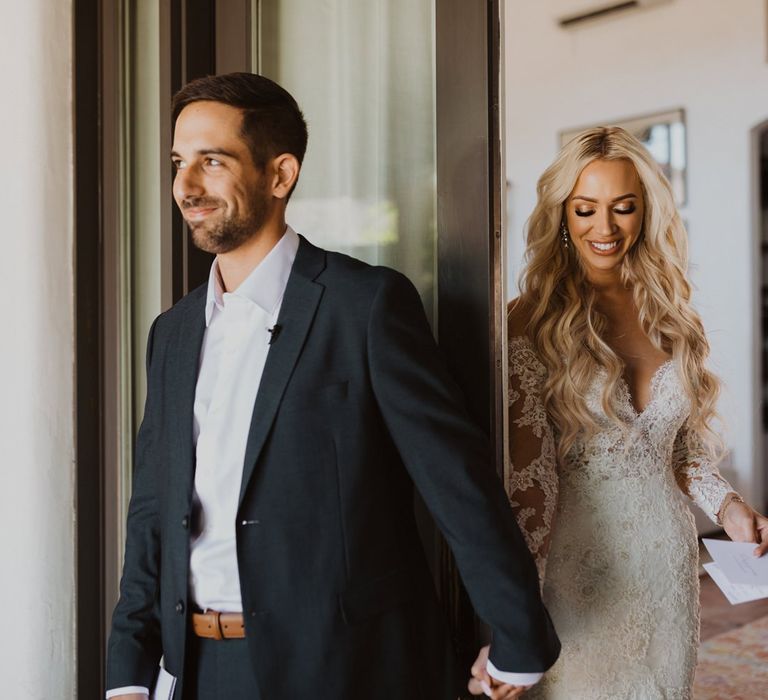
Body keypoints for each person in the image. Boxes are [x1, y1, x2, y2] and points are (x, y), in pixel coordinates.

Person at [105, 72, 560, 700]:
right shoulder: (172, 333)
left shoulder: (366, 306)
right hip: (200, 674)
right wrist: (128, 670)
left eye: (212, 162)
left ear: (280, 174)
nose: (184, 186)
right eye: (179, 162)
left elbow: (454, 480)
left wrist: (519, 635)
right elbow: (153, 509)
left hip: (344, 669)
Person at [494, 126, 768, 699]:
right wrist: (515, 618)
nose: (605, 227)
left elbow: (681, 453)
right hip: (575, 575)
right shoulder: (530, 322)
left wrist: (730, 505)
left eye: (623, 208)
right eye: (585, 209)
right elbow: (530, 483)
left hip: (668, 569)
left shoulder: (672, 312)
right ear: (561, 215)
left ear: (646, 211)